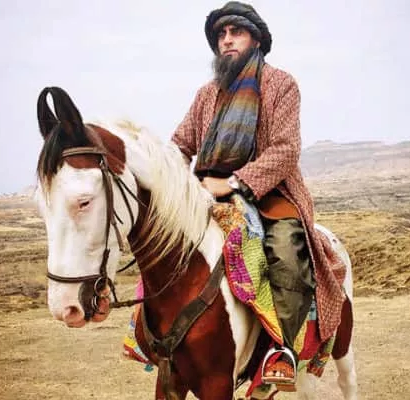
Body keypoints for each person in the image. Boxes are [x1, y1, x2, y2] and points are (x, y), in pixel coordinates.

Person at [171, 1, 346, 386]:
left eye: (236, 32)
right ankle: (157, 337)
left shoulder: (281, 84)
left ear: (256, 40)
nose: (227, 40)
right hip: (208, 193)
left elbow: (285, 149)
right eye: (221, 34)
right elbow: (180, 144)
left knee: (286, 253)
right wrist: (168, 175)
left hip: (271, 195)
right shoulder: (206, 94)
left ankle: (281, 350)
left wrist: (234, 183)